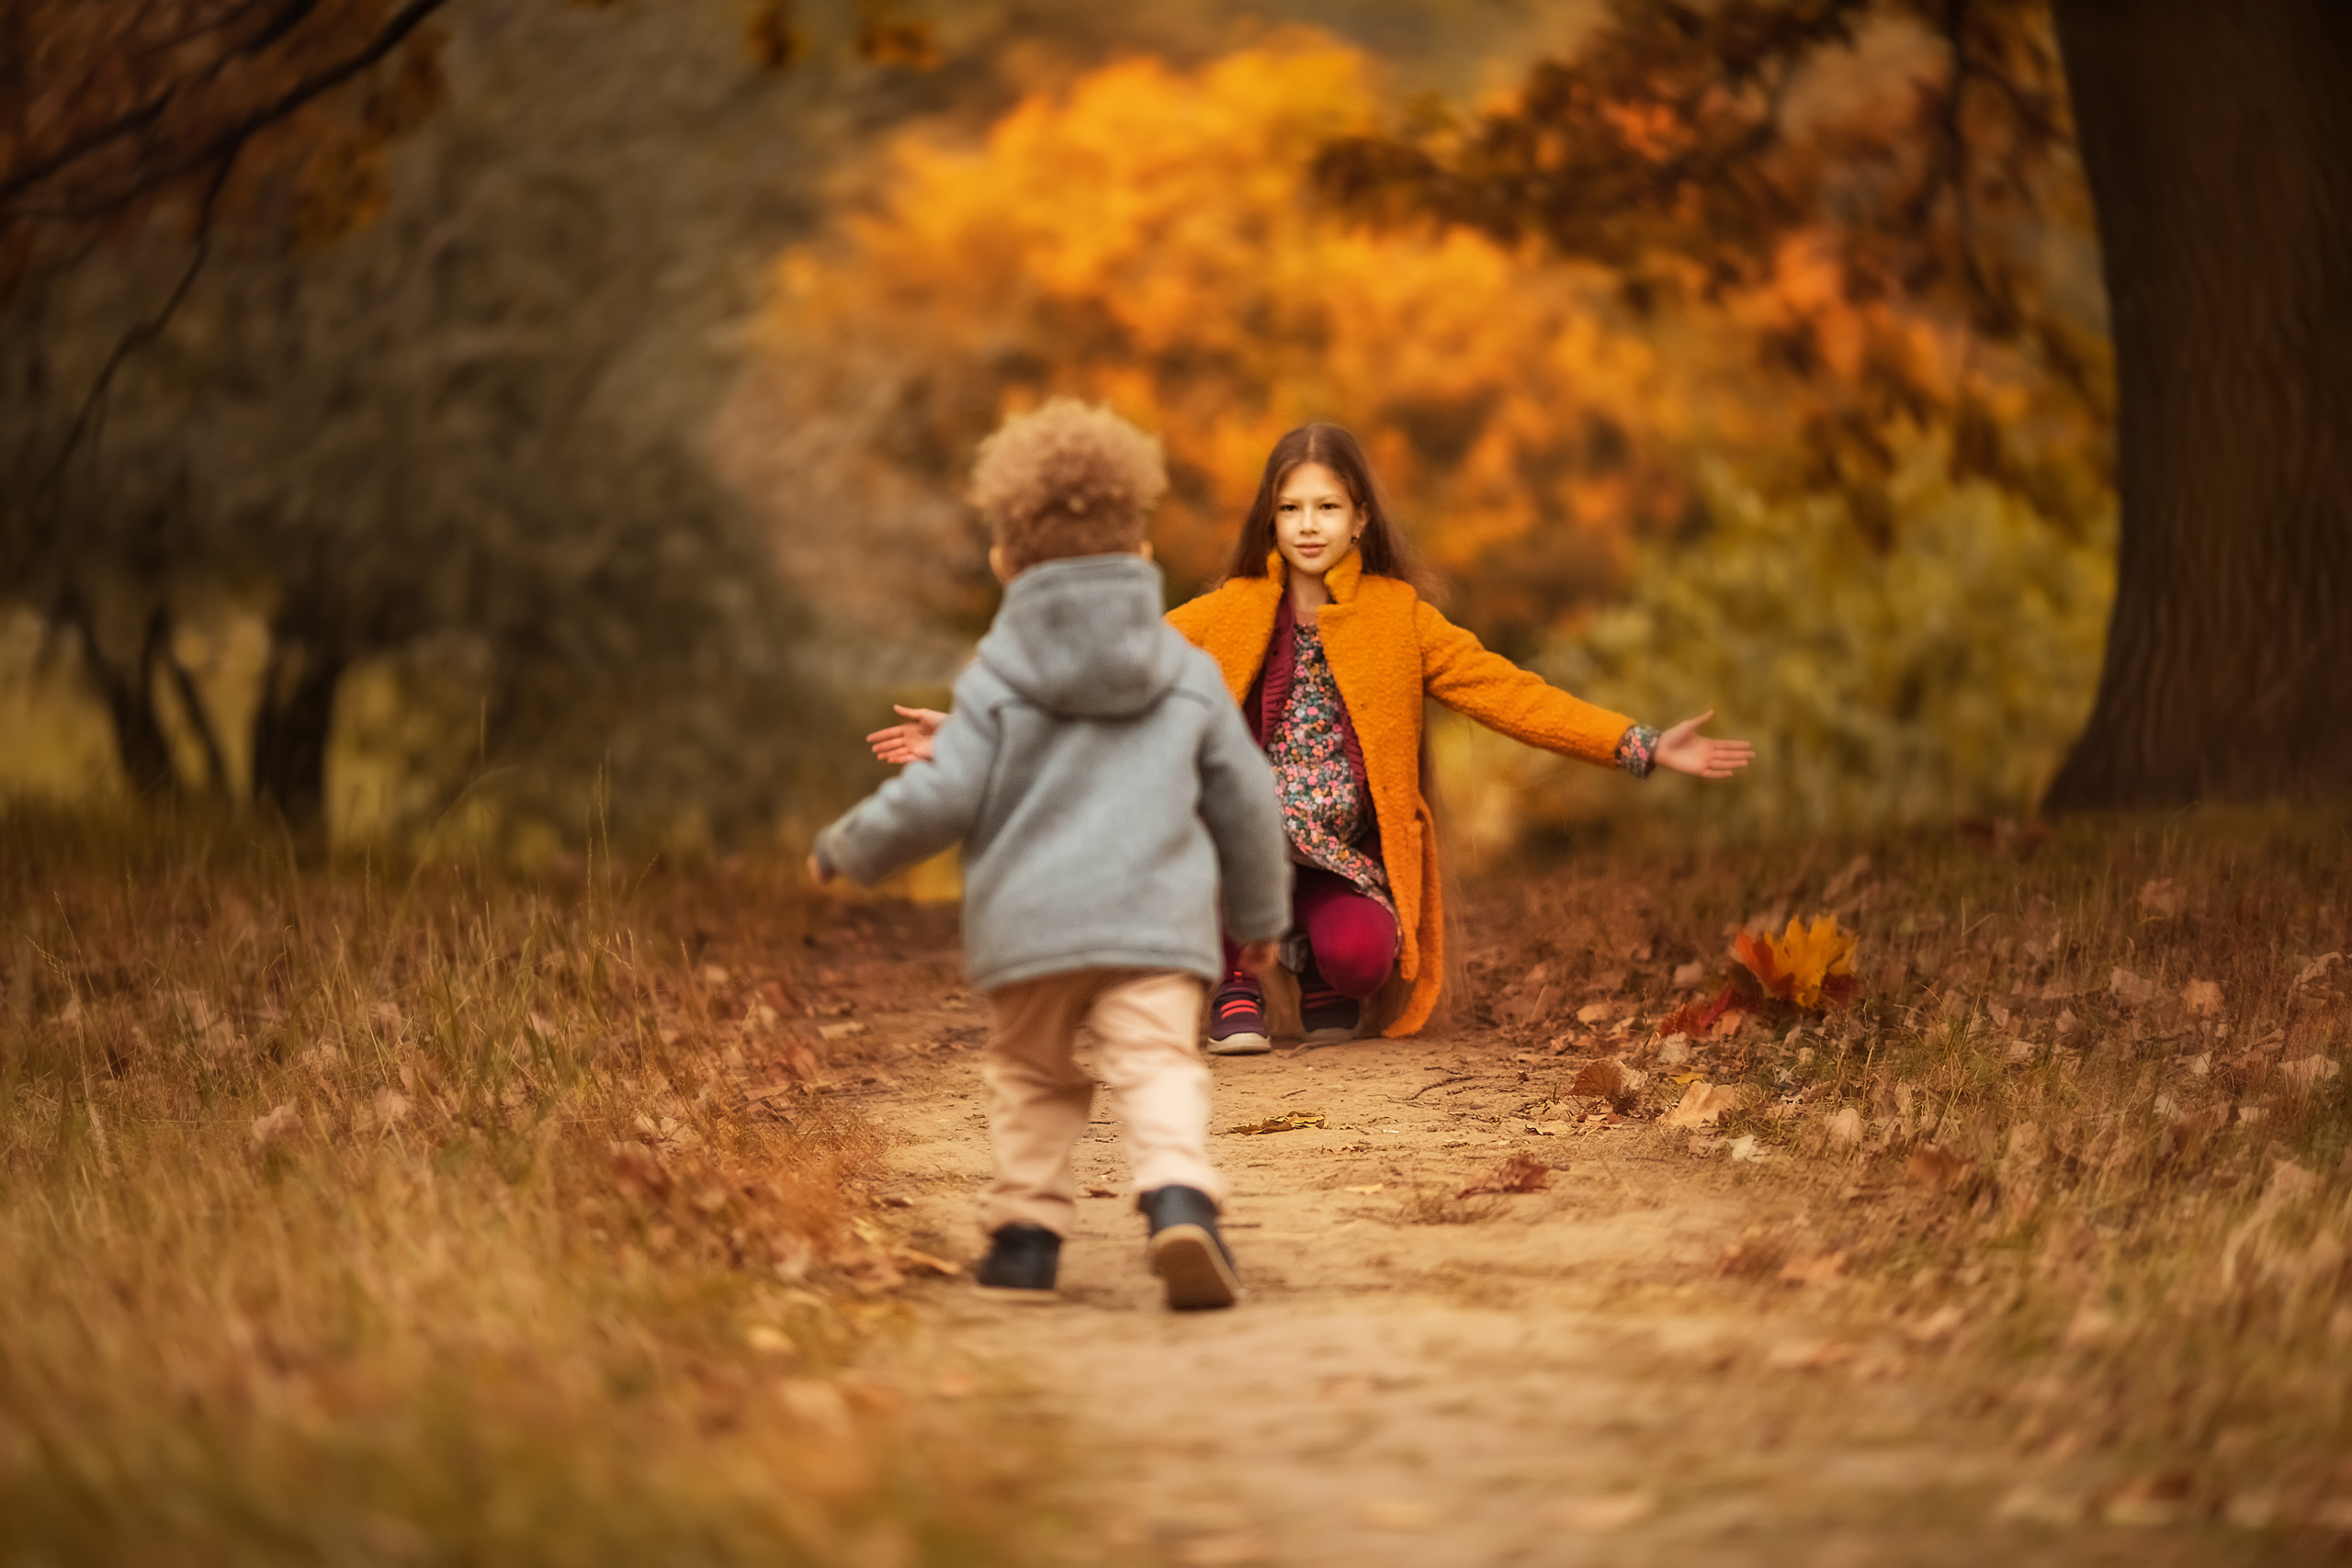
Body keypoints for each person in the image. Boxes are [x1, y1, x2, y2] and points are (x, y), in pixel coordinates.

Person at [868, 421, 1752, 1049]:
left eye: (1328, 507)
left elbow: (1512, 694)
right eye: (1292, 509)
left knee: (1365, 960)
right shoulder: (1224, 615)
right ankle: (1236, 979)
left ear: (1360, 518)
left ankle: (1312, 959)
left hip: (1336, 853)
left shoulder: (1402, 620)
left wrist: (1639, 744)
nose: (1310, 526)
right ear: (1271, 519)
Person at [810, 399, 1291, 1311]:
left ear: (1005, 562)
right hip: (1154, 926)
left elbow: (942, 793)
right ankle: (1180, 1198)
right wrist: (1261, 919)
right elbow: (1245, 800)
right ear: (1141, 555)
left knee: (1032, 1078)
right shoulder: (1182, 669)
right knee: (1155, 1066)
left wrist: (848, 847)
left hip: (1030, 928)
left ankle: (1026, 1242)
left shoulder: (996, 674)